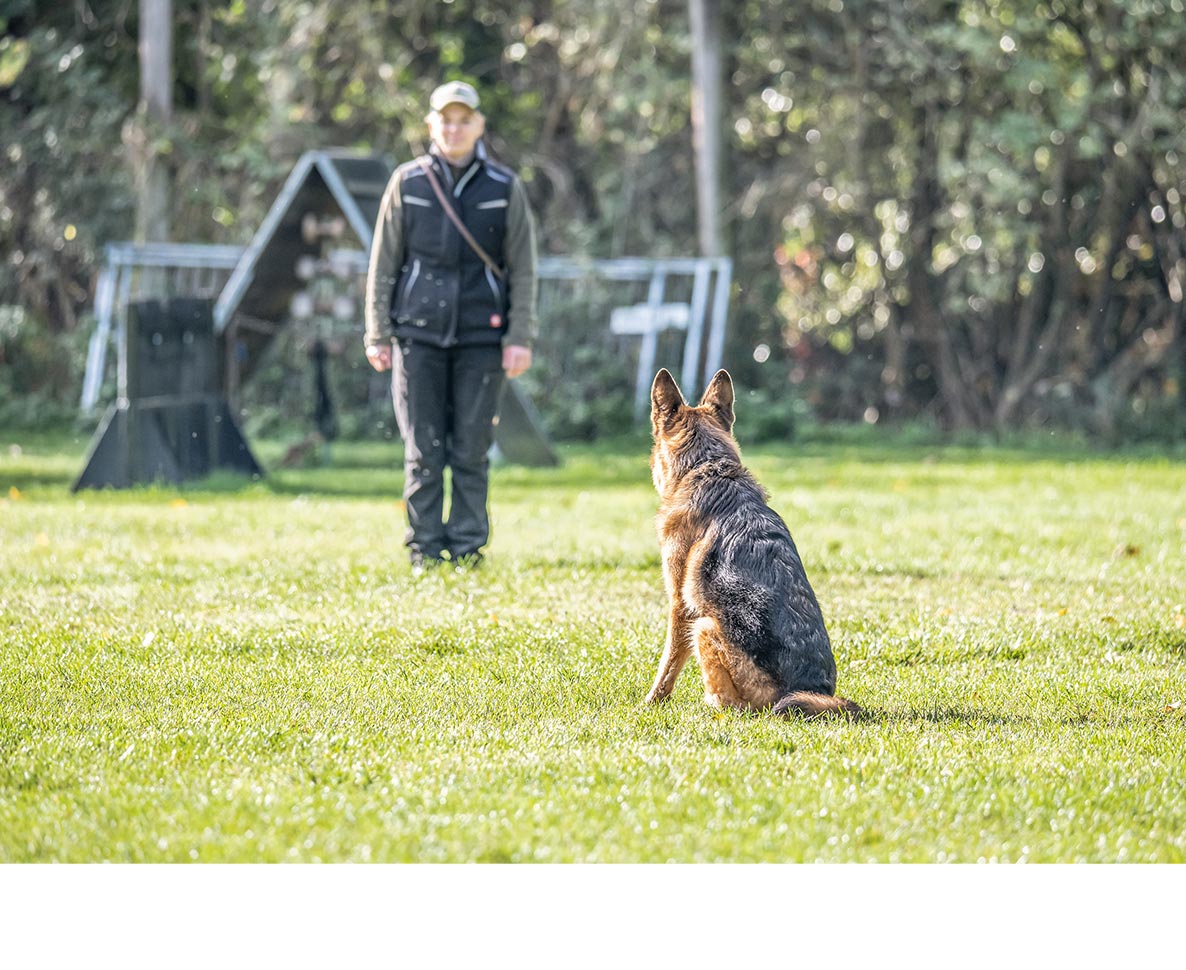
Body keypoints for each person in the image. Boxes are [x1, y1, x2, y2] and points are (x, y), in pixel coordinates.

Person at [364, 80, 539, 572]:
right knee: (422, 450)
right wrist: (376, 333)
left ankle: (466, 549)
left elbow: (524, 267)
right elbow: (383, 264)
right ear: (431, 125)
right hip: (416, 334)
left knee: (471, 447)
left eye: (464, 119)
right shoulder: (408, 182)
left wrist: (519, 336)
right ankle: (423, 550)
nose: (454, 128)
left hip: (483, 336)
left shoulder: (504, 187)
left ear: (479, 125)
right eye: (446, 119)